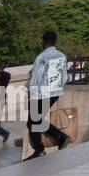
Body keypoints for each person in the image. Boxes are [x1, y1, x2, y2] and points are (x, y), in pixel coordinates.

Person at [24, 31, 69, 160]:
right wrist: (59, 91)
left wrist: (30, 94)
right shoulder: (62, 56)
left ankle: (42, 147)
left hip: (41, 93)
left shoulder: (42, 57)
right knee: (35, 120)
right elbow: (64, 76)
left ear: (43, 41)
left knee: (33, 121)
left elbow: (36, 77)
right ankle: (57, 139)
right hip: (54, 93)